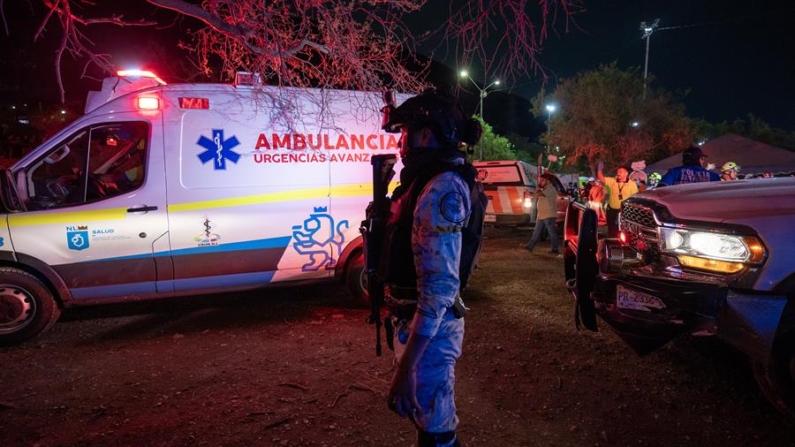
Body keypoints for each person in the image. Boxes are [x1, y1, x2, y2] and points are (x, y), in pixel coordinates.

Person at [380, 88, 482, 447]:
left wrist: (406, 369)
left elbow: (439, 289)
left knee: (437, 428)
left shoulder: (442, 188)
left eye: (406, 132)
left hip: (432, 332)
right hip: (418, 325)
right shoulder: (426, 181)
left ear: (426, 133)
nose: (402, 142)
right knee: (426, 418)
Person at [597, 162, 639, 238]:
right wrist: (599, 169)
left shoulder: (632, 184)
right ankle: (612, 242)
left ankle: (624, 243)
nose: (618, 173)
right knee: (612, 228)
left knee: (624, 229)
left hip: (625, 211)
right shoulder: (612, 181)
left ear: (626, 173)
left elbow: (634, 198)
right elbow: (601, 178)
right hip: (612, 210)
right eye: (617, 172)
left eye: (620, 172)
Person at [523, 173, 560, 255]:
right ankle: (530, 246)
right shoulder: (545, 189)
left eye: (543, 180)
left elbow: (539, 194)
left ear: (549, 181)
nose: (541, 182)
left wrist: (531, 194)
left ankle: (555, 249)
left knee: (552, 233)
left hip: (549, 214)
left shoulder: (550, 189)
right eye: (540, 180)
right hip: (542, 214)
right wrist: (537, 189)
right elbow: (539, 193)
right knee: (537, 231)